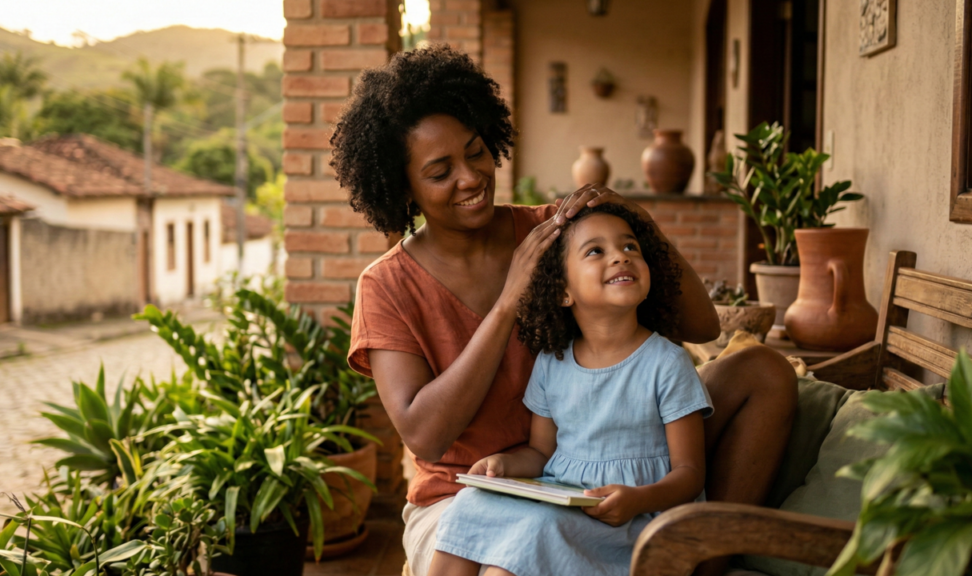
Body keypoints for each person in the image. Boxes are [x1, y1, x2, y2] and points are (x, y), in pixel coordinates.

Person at [333, 45, 798, 576]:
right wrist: (509, 300)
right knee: (497, 558)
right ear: (404, 188)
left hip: (601, 458)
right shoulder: (387, 285)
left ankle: (704, 552)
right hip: (471, 488)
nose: (471, 178)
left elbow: (701, 324)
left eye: (476, 151)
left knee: (763, 370)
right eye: (440, 172)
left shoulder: (559, 231)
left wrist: (632, 215)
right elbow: (425, 435)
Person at [430, 203, 712, 576]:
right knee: (468, 504)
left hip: (633, 523)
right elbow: (540, 452)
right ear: (563, 292)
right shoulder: (553, 362)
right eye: (596, 251)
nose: (620, 258)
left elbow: (690, 474)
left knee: (528, 540)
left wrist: (637, 499)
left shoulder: (667, 362)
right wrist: (504, 464)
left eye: (631, 248)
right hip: (564, 502)